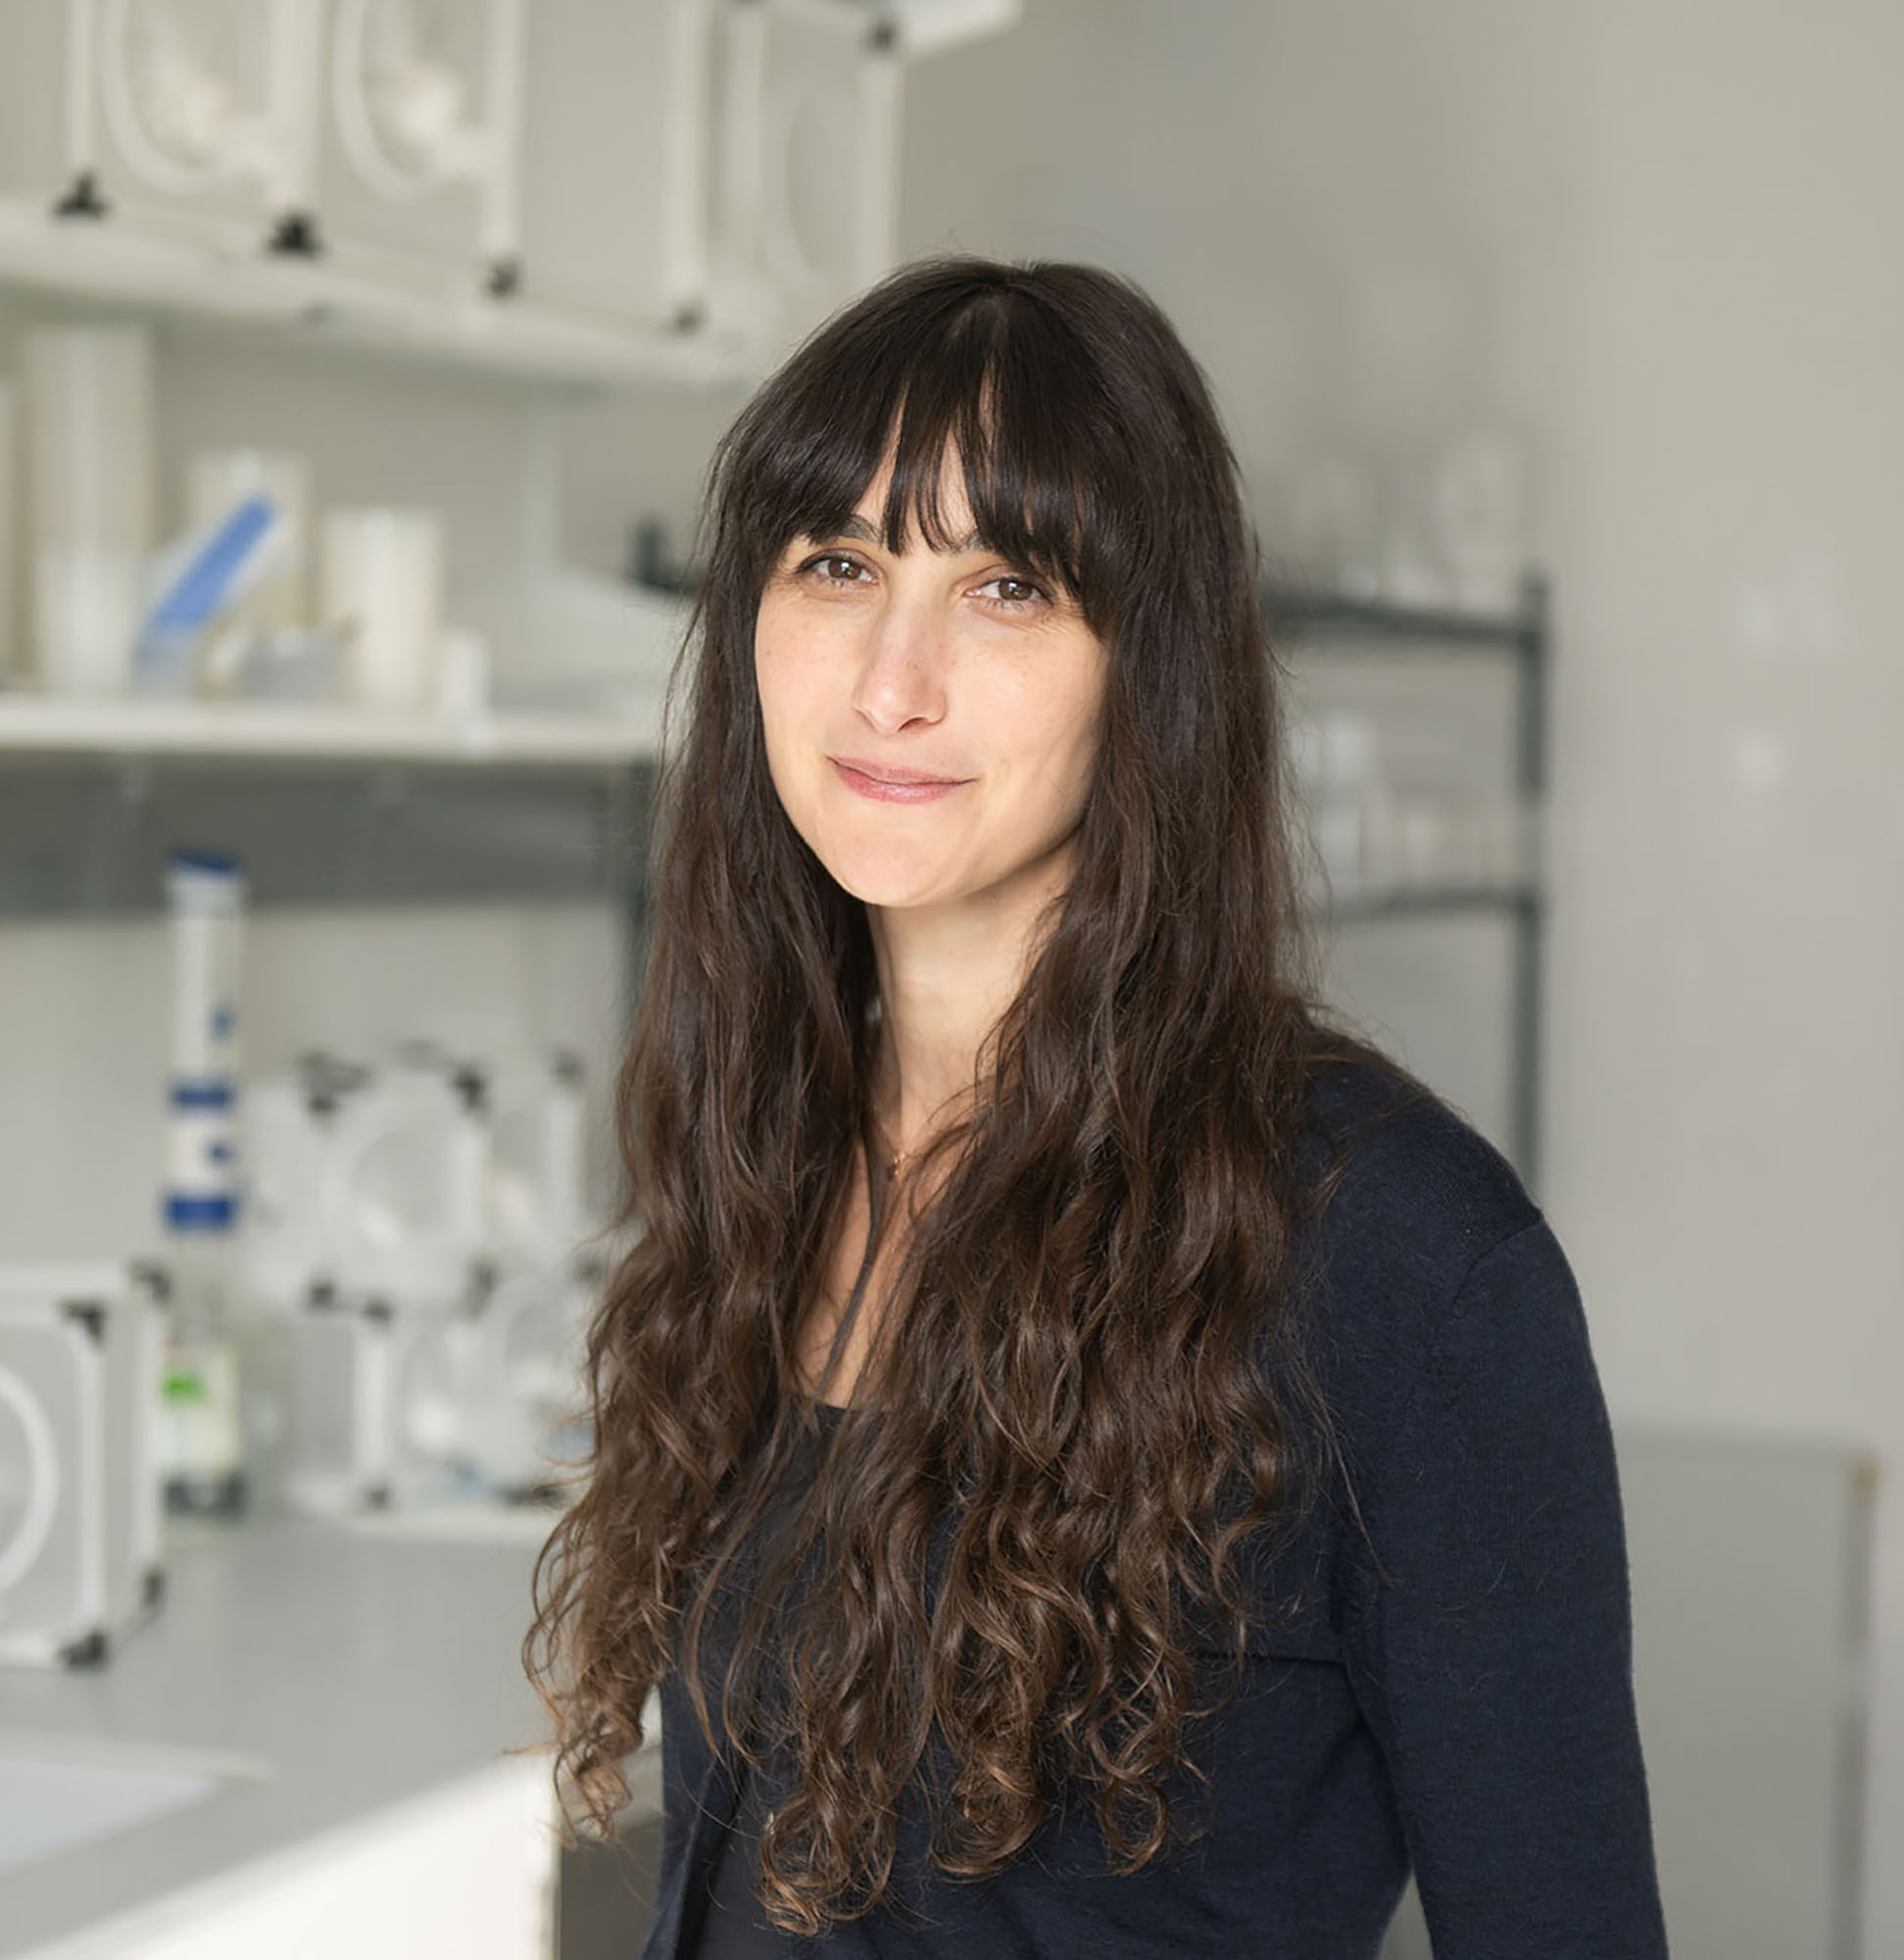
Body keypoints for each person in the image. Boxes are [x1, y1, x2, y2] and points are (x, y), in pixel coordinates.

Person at [526, 257, 1669, 1959]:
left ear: (1152, 667)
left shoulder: (1401, 1265)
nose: (890, 681)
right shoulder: (767, 1148)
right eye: (837, 564)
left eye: (1006, 589)